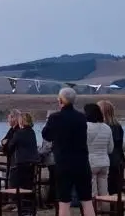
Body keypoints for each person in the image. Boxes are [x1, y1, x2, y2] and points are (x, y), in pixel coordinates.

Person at [40, 87, 93, 216]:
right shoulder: (81, 117)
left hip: (64, 163)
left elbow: (46, 135)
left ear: (61, 100)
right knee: (86, 200)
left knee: (64, 201)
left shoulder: (55, 117)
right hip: (82, 162)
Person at [7, 112, 40, 215]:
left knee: (20, 186)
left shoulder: (19, 133)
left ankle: (22, 207)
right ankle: (29, 207)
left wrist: (6, 143)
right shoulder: (32, 132)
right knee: (29, 185)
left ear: (22, 121)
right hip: (32, 162)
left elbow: (10, 147)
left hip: (21, 162)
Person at [96, 100, 125, 195]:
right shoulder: (117, 126)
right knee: (115, 188)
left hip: (108, 160)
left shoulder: (103, 127)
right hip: (118, 159)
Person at [84, 104, 114, 197]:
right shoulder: (107, 127)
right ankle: (105, 208)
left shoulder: (85, 127)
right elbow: (110, 149)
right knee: (104, 190)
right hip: (104, 162)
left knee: (92, 191)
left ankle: (93, 209)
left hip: (91, 162)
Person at [2, 110, 22, 188]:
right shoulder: (12, 130)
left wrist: (5, 143)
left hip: (15, 161)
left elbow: (9, 144)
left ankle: (12, 197)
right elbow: (4, 141)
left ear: (14, 118)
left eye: (9, 118)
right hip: (11, 159)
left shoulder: (18, 130)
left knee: (13, 181)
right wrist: (5, 143)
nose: (8, 120)